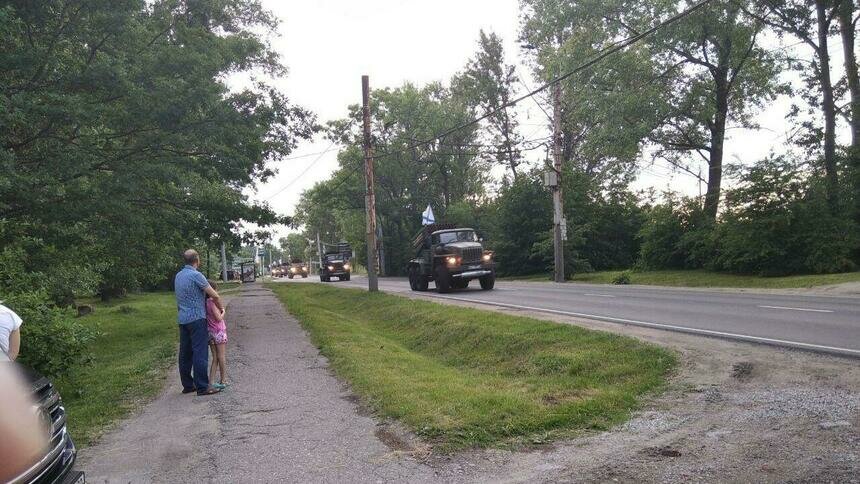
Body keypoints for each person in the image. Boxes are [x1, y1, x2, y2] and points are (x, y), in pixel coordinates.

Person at [175, 249, 223, 396]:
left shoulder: (178, 276)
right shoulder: (196, 275)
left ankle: (188, 385)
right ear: (197, 260)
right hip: (196, 319)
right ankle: (202, 386)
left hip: (183, 319)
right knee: (200, 352)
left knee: (185, 353)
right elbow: (213, 294)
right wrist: (220, 308)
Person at [206, 281, 228, 389]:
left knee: (215, 357)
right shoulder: (212, 302)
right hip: (219, 331)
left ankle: (211, 381)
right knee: (221, 356)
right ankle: (223, 380)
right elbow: (218, 318)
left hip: (210, 331)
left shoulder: (205, 302)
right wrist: (223, 311)